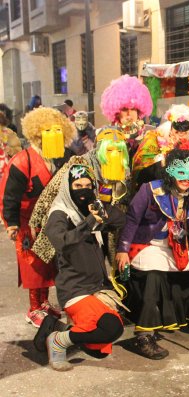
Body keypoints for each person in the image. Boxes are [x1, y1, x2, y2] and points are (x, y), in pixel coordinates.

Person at [116, 141, 189, 359]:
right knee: (153, 278)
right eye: (180, 171)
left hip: (176, 249)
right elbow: (132, 219)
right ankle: (143, 335)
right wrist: (123, 249)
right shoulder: (150, 189)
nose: (186, 177)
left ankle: (162, 324)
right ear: (170, 171)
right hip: (146, 246)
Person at [35, 164, 126, 371]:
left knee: (98, 349)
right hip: (74, 288)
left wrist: (103, 206)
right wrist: (89, 222)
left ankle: (61, 328)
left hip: (96, 286)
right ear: (68, 188)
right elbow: (61, 241)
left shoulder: (88, 207)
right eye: (77, 185)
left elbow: (121, 220)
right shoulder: (60, 213)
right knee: (112, 328)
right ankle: (59, 340)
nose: (83, 190)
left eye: (87, 185)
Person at [0, 107, 75, 327]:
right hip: (26, 223)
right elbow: (9, 197)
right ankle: (33, 308)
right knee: (32, 265)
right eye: (48, 130)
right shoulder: (23, 161)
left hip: (50, 222)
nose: (53, 135)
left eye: (57, 130)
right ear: (37, 133)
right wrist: (11, 224)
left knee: (47, 264)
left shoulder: (59, 157)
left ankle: (43, 303)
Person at [100, 74, 153, 155]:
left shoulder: (149, 134)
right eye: (124, 109)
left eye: (132, 109)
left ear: (138, 111)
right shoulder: (107, 134)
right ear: (117, 113)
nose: (129, 114)